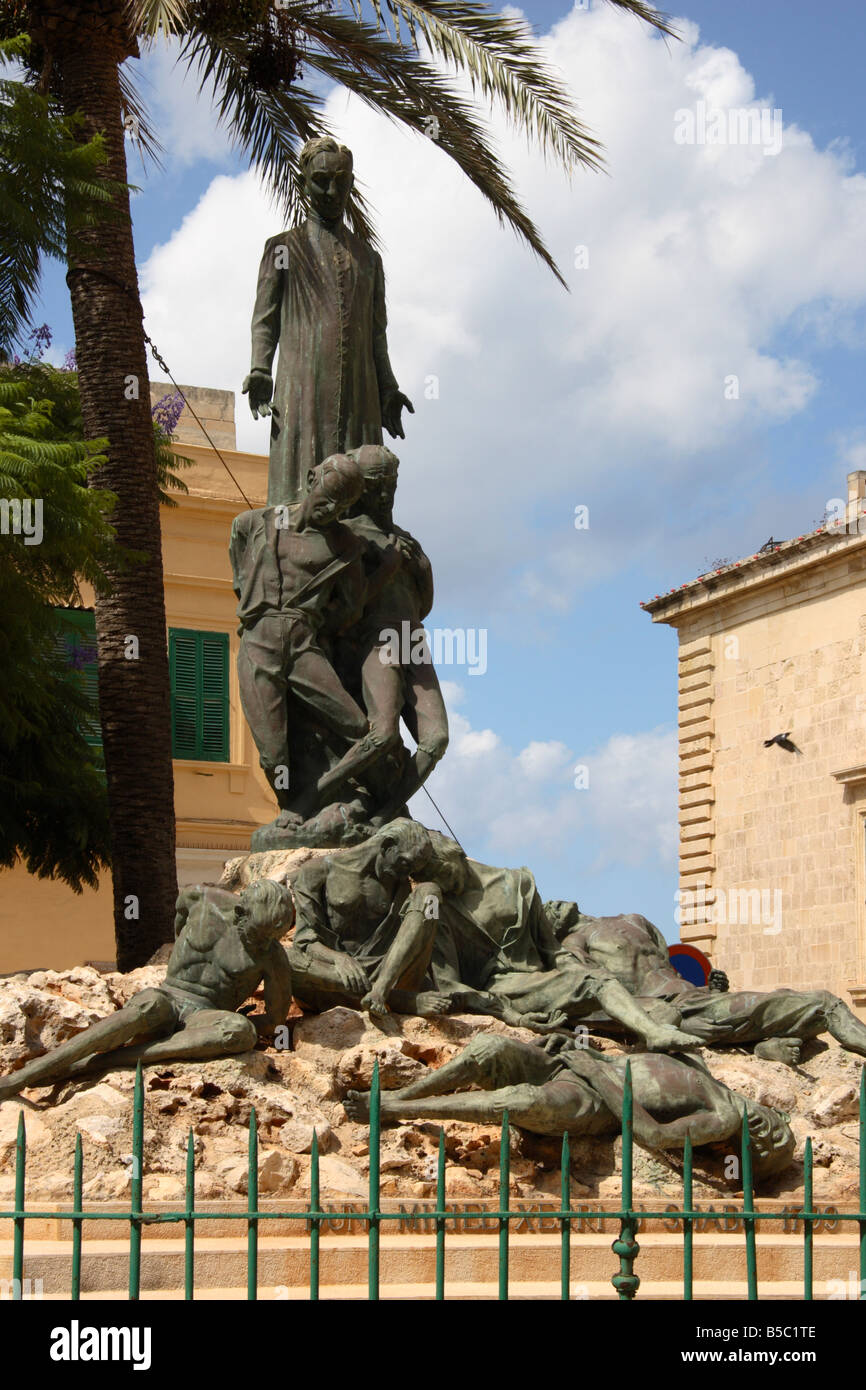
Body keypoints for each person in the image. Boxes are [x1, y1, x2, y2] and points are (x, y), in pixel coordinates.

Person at [345, 1031, 794, 1180]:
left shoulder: (722, 1118)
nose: (765, 1120)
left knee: (517, 1101)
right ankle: (402, 1096)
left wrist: (598, 1073)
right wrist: (587, 1052)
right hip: (577, 1062)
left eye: (768, 1131)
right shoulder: (707, 1074)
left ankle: (392, 1109)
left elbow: (651, 1134)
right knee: (489, 1047)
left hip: (592, 1100)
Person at [0, 881, 294, 1101]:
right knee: (149, 1008)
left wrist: (232, 1022)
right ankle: (22, 1077)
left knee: (239, 1031)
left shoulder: (273, 956)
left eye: (273, 938)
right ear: (241, 912)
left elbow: (275, 1019)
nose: (264, 945)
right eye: (259, 935)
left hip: (205, 1016)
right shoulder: (201, 899)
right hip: (167, 994)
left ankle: (88, 1065)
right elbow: (179, 920)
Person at [243, 135, 413, 506]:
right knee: (297, 500)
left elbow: (377, 335)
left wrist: (387, 388)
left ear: (351, 183)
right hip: (302, 385)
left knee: (364, 507)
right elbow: (265, 318)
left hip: (361, 391)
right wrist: (260, 369)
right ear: (303, 181)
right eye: (321, 180)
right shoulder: (283, 248)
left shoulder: (368, 259)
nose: (332, 190)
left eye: (341, 180)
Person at [230, 453, 396, 825]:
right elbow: (238, 566)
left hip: (304, 643)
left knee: (357, 727)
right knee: (273, 755)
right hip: (258, 643)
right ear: (310, 479)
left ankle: (335, 797)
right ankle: (291, 807)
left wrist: (383, 573)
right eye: (331, 494)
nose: (334, 507)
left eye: (345, 503)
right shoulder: (253, 523)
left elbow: (352, 607)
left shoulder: (344, 545)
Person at [547, 901, 866, 1064]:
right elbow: (590, 993)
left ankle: (762, 1046)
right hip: (671, 1011)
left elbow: (668, 968)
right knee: (822, 1003)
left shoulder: (634, 920)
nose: (553, 907)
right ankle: (761, 1045)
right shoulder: (574, 945)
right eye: (547, 912)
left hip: (695, 997)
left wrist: (708, 989)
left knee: (781, 1007)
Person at [340, 444, 449, 825]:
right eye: (376, 486)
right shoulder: (349, 537)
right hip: (376, 640)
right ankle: (324, 794)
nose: (386, 494)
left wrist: (420, 568)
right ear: (360, 489)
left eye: (391, 483)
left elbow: (424, 605)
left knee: (436, 740)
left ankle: (387, 813)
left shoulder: (406, 538)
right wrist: (386, 568)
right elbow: (346, 608)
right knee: (382, 733)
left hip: (412, 638)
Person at [288, 818, 452, 1018]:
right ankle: (400, 1000)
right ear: (386, 846)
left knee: (430, 893)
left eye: (411, 869)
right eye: (404, 863)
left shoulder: (398, 883)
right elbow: (304, 940)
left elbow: (411, 938)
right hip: (335, 974)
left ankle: (381, 992)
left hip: (387, 973)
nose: (406, 873)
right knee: (285, 959)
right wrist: (339, 959)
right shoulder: (316, 871)